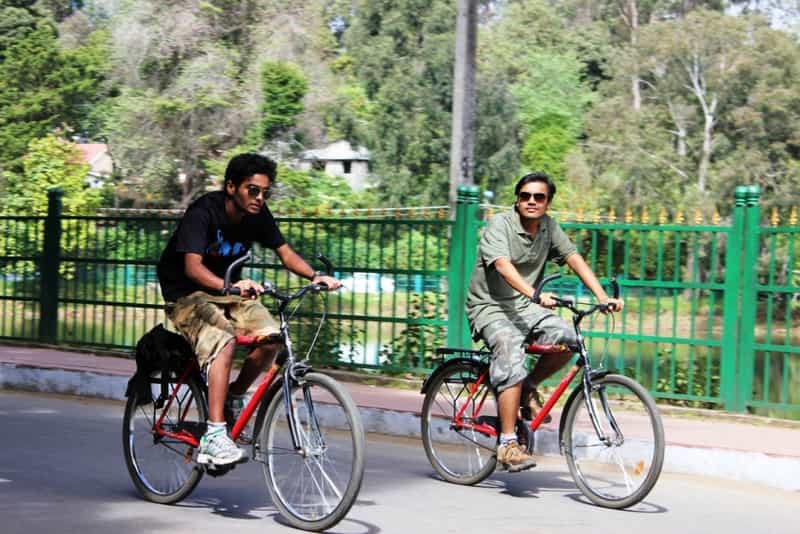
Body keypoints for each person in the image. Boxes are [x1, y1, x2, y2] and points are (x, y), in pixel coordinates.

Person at [157, 153, 341, 466]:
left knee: (272, 338)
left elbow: (285, 253)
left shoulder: (258, 215)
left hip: (231, 293)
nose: (259, 198)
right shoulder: (203, 212)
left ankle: (232, 395)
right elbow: (192, 267)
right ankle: (215, 436)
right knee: (224, 341)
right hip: (187, 293)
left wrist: (315, 276)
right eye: (252, 190)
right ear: (231, 187)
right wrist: (230, 286)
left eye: (265, 193)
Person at [465, 172, 623, 472]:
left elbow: (574, 258)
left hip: (525, 306)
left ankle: (528, 387)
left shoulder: (549, 227)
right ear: (517, 198)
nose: (531, 201)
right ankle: (508, 443)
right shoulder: (500, 224)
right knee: (511, 349)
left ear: (548, 202)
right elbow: (502, 266)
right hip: (490, 306)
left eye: (539, 197)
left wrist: (602, 297)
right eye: (525, 196)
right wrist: (534, 294)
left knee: (569, 338)